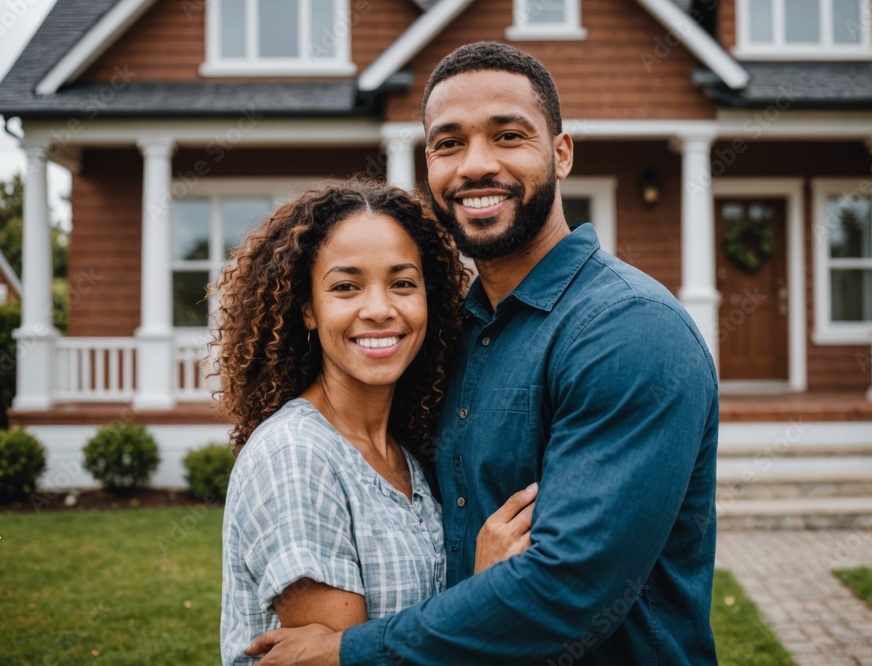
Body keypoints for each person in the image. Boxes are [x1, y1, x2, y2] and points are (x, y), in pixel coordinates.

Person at [247, 41, 719, 665]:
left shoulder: (628, 330)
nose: (475, 165)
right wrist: (474, 585)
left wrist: (350, 652)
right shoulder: (453, 333)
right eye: (448, 143)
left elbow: (566, 591)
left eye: (507, 136)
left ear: (561, 152)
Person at [214, 179, 537, 665]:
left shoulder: (404, 455)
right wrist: (484, 591)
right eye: (346, 287)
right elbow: (347, 657)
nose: (380, 309)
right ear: (307, 309)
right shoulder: (296, 455)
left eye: (402, 283)